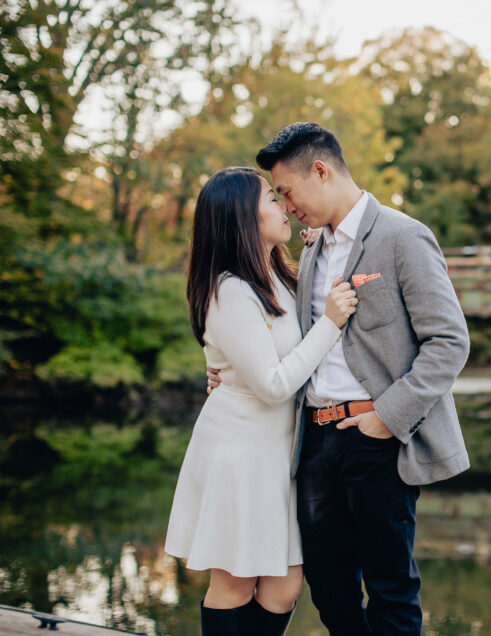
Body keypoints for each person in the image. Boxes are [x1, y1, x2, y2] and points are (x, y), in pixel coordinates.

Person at [210, 122, 471, 635]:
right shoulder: (309, 250)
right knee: (328, 587)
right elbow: (277, 332)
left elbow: (449, 342)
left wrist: (387, 418)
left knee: (391, 587)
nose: (286, 206)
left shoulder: (403, 236)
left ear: (321, 171)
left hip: (376, 438)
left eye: (287, 191)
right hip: (313, 442)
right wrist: (222, 367)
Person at [164, 166, 359, 636]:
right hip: (240, 453)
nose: (284, 206)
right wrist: (330, 324)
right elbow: (272, 384)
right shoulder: (231, 290)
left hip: (277, 452)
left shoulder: (276, 276)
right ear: (243, 219)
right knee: (234, 584)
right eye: (272, 200)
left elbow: (261, 356)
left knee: (284, 586)